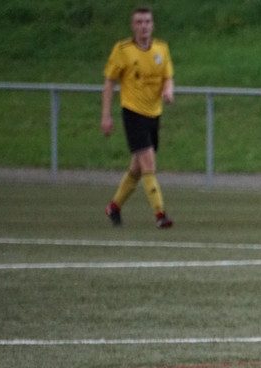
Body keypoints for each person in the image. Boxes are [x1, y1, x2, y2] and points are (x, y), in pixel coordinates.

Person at [101, 6, 174, 228]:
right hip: (133, 113)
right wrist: (106, 115)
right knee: (149, 163)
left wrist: (168, 91)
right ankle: (160, 214)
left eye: (147, 22)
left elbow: (168, 77)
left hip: (154, 114)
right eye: (139, 22)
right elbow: (110, 83)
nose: (144, 26)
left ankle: (114, 207)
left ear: (153, 25)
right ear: (133, 26)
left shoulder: (161, 49)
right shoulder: (122, 50)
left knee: (137, 168)